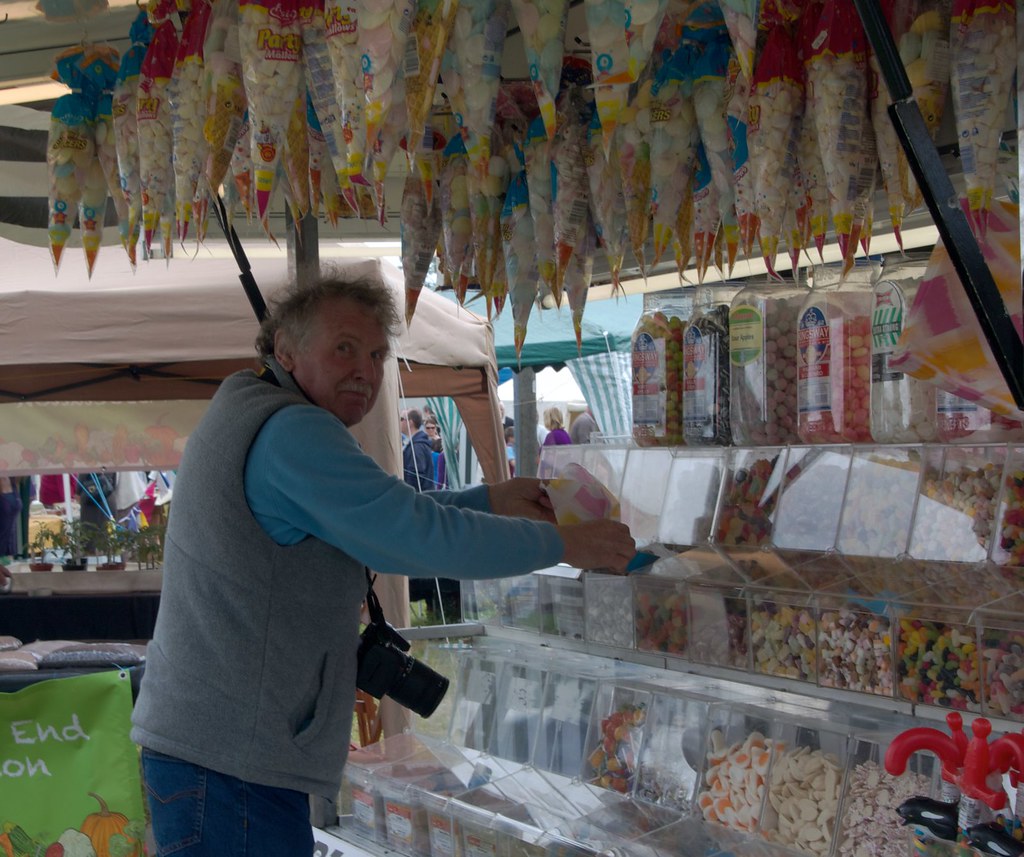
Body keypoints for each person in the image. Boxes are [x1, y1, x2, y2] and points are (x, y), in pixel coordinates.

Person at [130, 272, 635, 856]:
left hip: (217, 750)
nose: (365, 371)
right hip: (230, 762)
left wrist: (489, 500)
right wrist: (564, 546)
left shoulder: (256, 408)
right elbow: (409, 534)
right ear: (286, 350)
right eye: (344, 347)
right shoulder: (292, 432)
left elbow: (376, 514)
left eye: (376, 354)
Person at [401, 408, 439, 491]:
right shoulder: (416, 444)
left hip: (417, 497)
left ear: (410, 422)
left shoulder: (417, 446)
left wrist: (407, 493)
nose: (400, 422)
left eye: (401, 419)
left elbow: (416, 474)